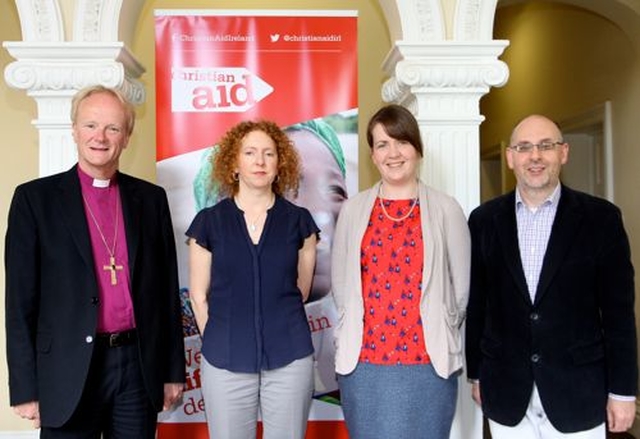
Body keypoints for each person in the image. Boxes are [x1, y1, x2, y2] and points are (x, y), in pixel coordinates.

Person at [5, 85, 185, 438]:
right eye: (90, 125)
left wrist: (172, 370)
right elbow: (19, 302)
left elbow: (166, 294)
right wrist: (25, 387)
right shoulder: (34, 200)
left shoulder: (150, 200)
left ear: (127, 137)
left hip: (136, 365)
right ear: (73, 130)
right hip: (67, 368)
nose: (100, 137)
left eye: (112, 128)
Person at [465, 114, 638, 438]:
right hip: (506, 390)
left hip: (578, 393)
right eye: (525, 147)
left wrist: (623, 392)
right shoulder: (484, 221)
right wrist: (476, 373)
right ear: (510, 157)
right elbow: (478, 305)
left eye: (546, 146)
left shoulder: (601, 219)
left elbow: (618, 316)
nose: (535, 156)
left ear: (564, 153)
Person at [331, 104, 471, 439]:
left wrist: (440, 327)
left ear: (417, 148)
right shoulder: (353, 210)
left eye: (401, 142)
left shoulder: (446, 208)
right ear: (372, 155)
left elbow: (461, 287)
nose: (393, 153)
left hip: (427, 363)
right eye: (382, 144)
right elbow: (341, 282)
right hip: (363, 364)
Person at [186, 120, 318, 439]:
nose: (259, 161)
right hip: (225, 360)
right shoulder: (208, 223)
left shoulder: (300, 223)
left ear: (279, 164)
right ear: (234, 163)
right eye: (250, 152)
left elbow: (299, 291)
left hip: (290, 359)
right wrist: (223, 336)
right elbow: (198, 297)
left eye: (269, 154)